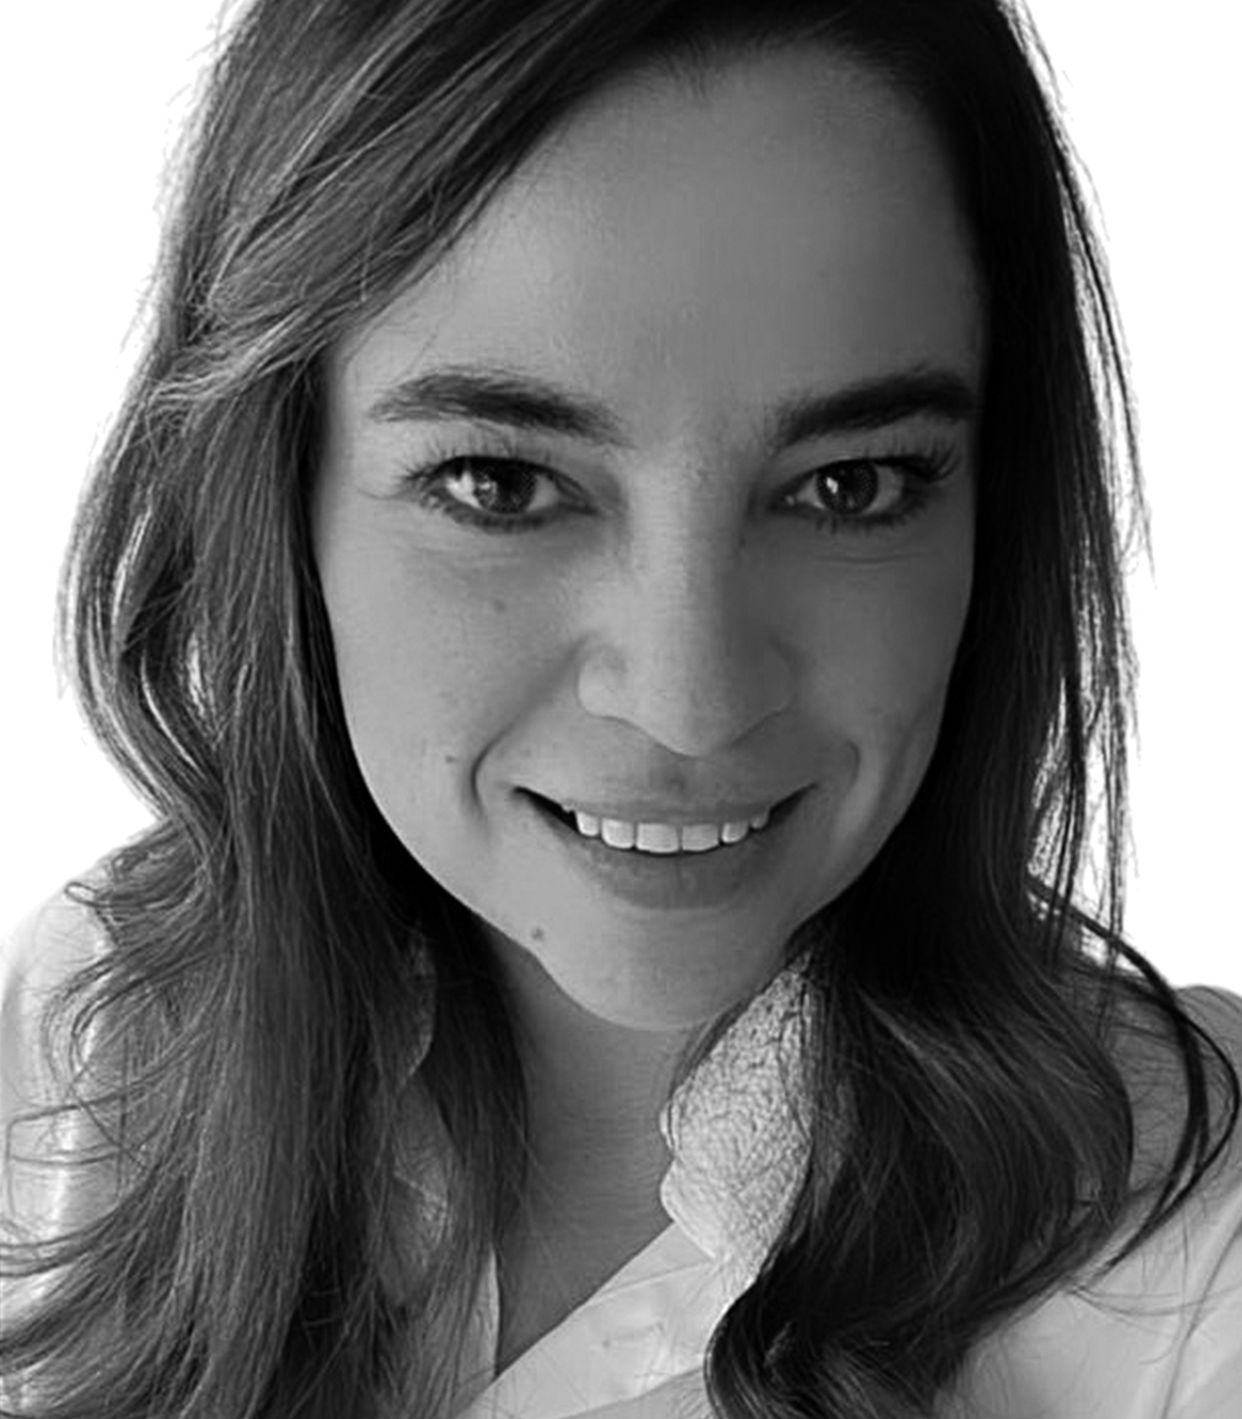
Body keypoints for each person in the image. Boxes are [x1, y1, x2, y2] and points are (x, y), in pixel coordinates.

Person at [2, 0, 1240, 1414]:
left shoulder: (1194, 1264)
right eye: (503, 484)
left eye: (851, 484)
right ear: (276, 501)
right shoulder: (88, 1033)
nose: (689, 700)